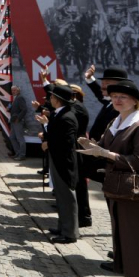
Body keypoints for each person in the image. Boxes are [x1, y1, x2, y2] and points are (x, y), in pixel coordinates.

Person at [77, 80, 139, 277]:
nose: (117, 100)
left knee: (138, 242)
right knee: (124, 239)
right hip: (117, 188)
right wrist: (94, 148)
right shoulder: (116, 122)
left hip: (134, 191)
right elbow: (105, 146)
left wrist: (107, 155)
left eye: (123, 97)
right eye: (114, 96)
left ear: (135, 102)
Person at [36, 84, 79, 244]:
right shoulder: (58, 114)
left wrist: (49, 143)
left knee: (67, 197)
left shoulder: (67, 117)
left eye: (52, 97)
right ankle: (63, 227)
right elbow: (55, 133)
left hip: (63, 162)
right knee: (60, 197)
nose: (50, 99)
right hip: (57, 160)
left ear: (58, 100)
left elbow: (66, 143)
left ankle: (70, 233)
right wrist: (46, 129)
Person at [69, 84, 92, 228]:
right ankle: (83, 215)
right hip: (78, 145)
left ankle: (84, 216)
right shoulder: (76, 106)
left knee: (80, 183)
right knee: (79, 183)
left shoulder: (77, 107)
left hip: (79, 147)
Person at [86, 65, 128, 142]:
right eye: (102, 83)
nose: (103, 86)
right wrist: (89, 79)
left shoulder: (120, 108)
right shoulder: (110, 102)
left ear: (119, 85)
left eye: (107, 83)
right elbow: (100, 93)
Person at [8, 86, 28, 160]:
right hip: (13, 121)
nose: (13, 91)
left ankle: (22, 155)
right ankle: (18, 153)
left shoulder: (20, 98)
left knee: (20, 138)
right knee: (12, 137)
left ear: (18, 91)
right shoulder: (16, 98)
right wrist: (9, 109)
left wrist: (18, 118)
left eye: (14, 90)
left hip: (17, 121)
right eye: (12, 90)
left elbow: (24, 109)